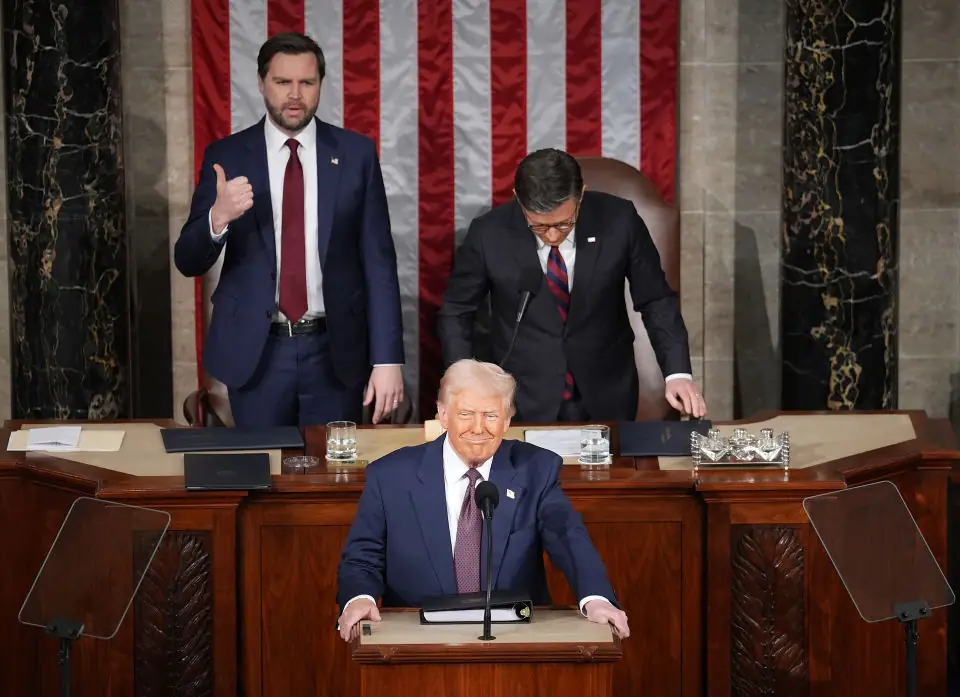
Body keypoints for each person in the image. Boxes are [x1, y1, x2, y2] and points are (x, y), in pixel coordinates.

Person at [174, 32, 405, 428]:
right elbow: (188, 259)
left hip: (335, 352)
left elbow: (379, 261)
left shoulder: (356, 154)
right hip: (257, 352)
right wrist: (218, 217)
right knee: (262, 464)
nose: (295, 95)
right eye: (283, 82)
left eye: (307, 82)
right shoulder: (227, 155)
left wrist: (387, 359)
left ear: (320, 84)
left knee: (334, 465)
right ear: (262, 83)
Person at [336, 359, 629, 642]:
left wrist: (596, 598)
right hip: (417, 635)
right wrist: (359, 598)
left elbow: (568, 537)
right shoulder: (391, 476)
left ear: (507, 420)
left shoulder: (536, 470)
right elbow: (363, 555)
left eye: (491, 415)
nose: (478, 428)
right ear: (443, 414)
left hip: (514, 637)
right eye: (466, 414)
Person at [438, 149, 706, 423]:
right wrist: (462, 378)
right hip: (522, 395)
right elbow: (457, 310)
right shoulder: (488, 234)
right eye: (539, 226)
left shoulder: (619, 220)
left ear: (581, 195)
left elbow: (656, 300)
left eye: (564, 223)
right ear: (519, 198)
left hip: (607, 390)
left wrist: (677, 373)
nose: (553, 235)